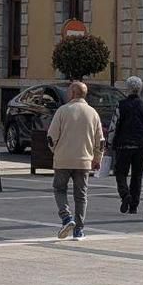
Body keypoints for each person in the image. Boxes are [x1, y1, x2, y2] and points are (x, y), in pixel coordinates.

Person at [47, 82, 104, 241]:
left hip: (63, 159)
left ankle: (66, 217)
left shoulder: (62, 111)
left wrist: (56, 151)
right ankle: (79, 230)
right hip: (84, 160)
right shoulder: (93, 113)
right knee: (81, 195)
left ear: (72, 93)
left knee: (59, 189)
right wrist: (97, 158)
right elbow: (100, 140)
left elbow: (51, 137)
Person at [106, 76, 143, 215]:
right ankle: (134, 206)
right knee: (137, 176)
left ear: (128, 89)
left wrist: (109, 142)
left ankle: (125, 195)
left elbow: (114, 125)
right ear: (140, 89)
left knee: (120, 173)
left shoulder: (121, 105)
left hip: (124, 145)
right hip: (141, 146)